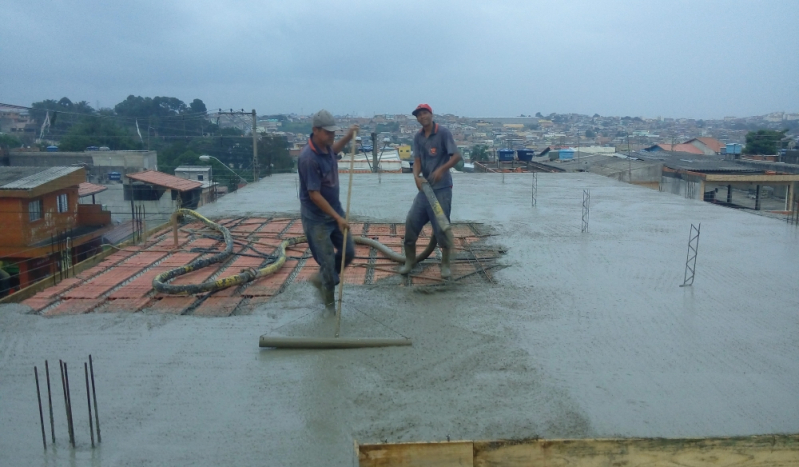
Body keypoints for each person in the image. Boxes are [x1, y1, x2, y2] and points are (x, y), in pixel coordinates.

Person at [297, 110, 359, 308]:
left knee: (348, 252)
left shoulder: (325, 147)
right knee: (328, 263)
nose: (332, 136)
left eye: (334, 132)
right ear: (315, 130)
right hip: (317, 220)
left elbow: (334, 150)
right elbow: (314, 195)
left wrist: (348, 136)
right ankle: (330, 308)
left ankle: (324, 277)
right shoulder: (309, 158)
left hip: (335, 213)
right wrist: (337, 218)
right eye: (328, 132)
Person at [399, 104, 461, 279]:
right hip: (426, 188)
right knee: (411, 223)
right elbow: (417, 160)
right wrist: (416, 176)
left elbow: (456, 156)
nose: (422, 117)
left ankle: (446, 264)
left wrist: (442, 169)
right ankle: (410, 261)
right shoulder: (418, 137)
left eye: (424, 113)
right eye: (419, 115)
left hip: (442, 189)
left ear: (431, 114)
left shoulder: (443, 133)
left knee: (441, 228)